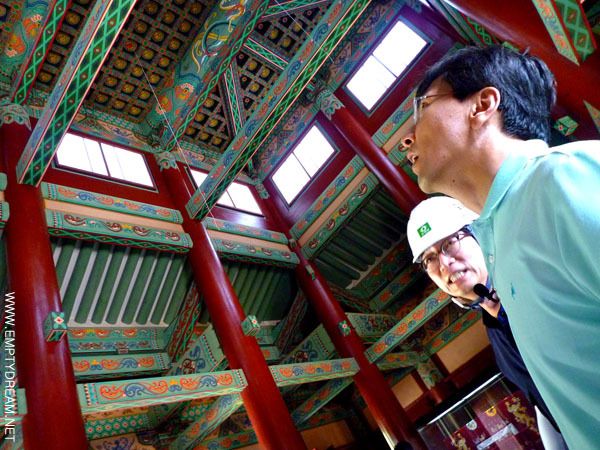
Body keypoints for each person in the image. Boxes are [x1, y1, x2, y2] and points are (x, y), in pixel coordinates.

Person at [401, 44, 600, 449]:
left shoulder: (563, 180)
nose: (407, 138)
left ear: (482, 105)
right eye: (429, 260)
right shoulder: (504, 237)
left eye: (424, 108)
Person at [407, 196, 567, 450]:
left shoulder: (542, 288)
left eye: (450, 242)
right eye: (430, 259)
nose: (444, 263)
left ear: (479, 233)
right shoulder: (494, 331)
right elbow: (544, 404)